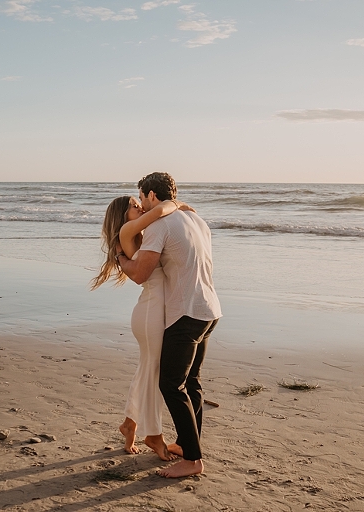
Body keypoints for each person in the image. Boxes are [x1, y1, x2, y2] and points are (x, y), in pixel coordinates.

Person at [117, 172, 222, 478]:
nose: (141, 204)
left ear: (151, 195)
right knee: (192, 383)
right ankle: (191, 446)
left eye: (141, 196)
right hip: (210, 310)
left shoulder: (159, 225)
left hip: (184, 313)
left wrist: (119, 257)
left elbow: (140, 274)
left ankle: (193, 460)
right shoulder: (197, 221)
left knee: (170, 384)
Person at [91, 194, 192, 460]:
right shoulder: (127, 231)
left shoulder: (142, 234)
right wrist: (176, 204)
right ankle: (154, 435)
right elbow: (160, 211)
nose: (139, 208)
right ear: (122, 216)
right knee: (154, 373)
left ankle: (130, 425)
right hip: (150, 312)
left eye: (139, 204)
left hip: (153, 311)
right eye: (133, 206)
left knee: (147, 370)